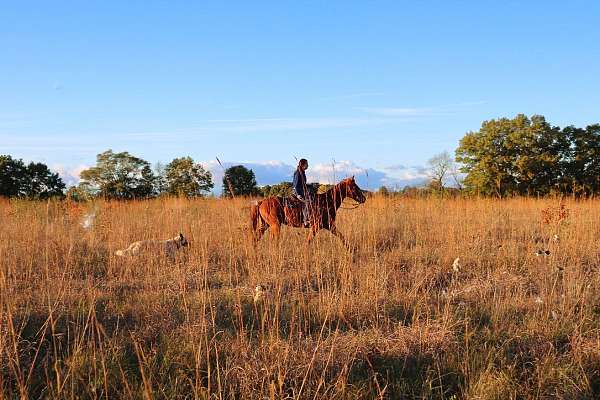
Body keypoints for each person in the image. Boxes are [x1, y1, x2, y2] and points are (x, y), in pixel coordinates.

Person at [292, 158, 311, 226]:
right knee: (307, 203)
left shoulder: (302, 172)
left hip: (301, 192)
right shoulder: (298, 172)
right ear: (303, 165)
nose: (308, 165)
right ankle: (305, 221)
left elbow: (302, 184)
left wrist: (309, 186)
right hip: (297, 192)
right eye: (307, 164)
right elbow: (296, 184)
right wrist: (298, 194)